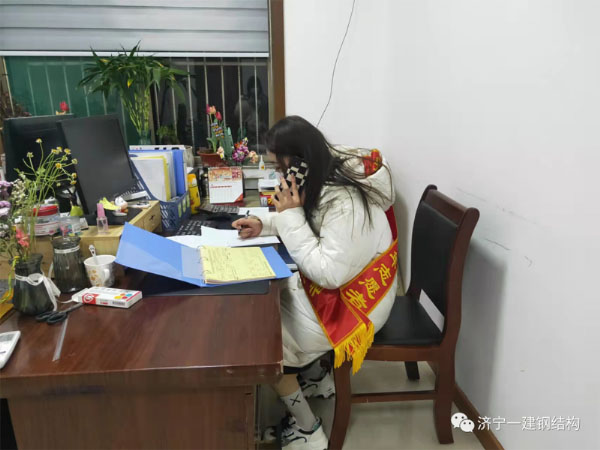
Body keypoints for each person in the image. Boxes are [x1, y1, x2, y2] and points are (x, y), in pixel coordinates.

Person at [233, 116, 398, 449]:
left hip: (359, 303)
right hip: (343, 287)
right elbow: (309, 220)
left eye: (278, 169)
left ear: (298, 163)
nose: (279, 178)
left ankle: (309, 432)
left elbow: (328, 272)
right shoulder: (324, 176)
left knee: (266, 342)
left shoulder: (346, 203)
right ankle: (317, 379)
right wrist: (264, 223)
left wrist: (288, 215)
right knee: (274, 300)